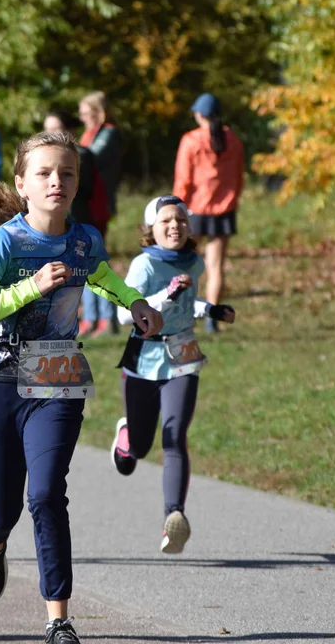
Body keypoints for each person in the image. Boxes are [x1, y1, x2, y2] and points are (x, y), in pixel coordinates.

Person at [0, 131, 163, 644]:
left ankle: (58, 620)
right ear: (23, 184)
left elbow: (103, 277)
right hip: (0, 381)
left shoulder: (85, 239)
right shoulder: (6, 243)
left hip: (56, 375)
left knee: (46, 494)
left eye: (66, 173)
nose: (56, 182)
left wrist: (134, 303)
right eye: (44, 173)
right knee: (2, 510)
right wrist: (30, 287)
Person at [110, 195, 237, 554]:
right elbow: (123, 316)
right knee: (141, 445)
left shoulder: (193, 262)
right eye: (166, 220)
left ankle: (174, 518)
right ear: (151, 228)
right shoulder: (144, 265)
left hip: (182, 355)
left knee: (175, 436)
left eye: (180, 220)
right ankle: (125, 439)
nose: (174, 226)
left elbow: (188, 302)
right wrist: (165, 294)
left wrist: (211, 310)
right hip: (144, 359)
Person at [172, 93, 245, 333]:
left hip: (195, 209)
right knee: (216, 266)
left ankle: (181, 314)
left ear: (199, 115)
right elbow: (238, 176)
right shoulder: (232, 139)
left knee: (184, 265)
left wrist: (175, 206)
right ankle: (212, 319)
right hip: (224, 209)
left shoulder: (191, 140)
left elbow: (184, 179)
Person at [77, 92, 122, 337]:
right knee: (84, 260)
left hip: (98, 205)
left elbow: (88, 159)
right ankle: (92, 316)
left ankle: (107, 317)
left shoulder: (109, 134)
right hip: (86, 204)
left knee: (96, 261)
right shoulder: (90, 134)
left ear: (98, 111)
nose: (83, 118)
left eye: (86, 112)